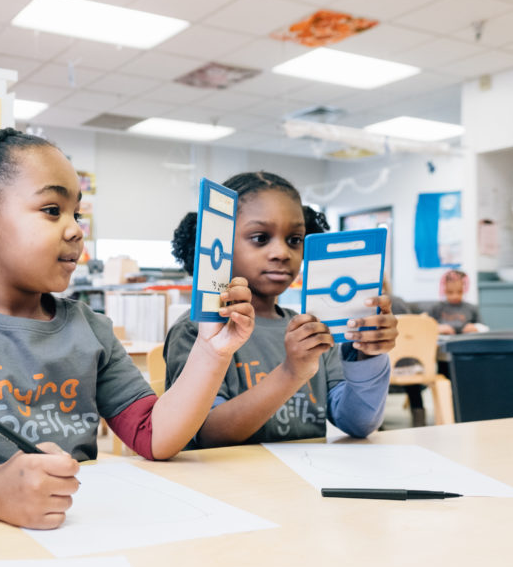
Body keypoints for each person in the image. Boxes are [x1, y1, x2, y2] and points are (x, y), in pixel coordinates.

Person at [0, 125, 254, 530]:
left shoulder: (91, 329)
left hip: (73, 530)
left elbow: (153, 435)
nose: (75, 230)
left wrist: (212, 353)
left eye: (77, 213)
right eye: (52, 210)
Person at [164, 171, 397, 448]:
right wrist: (291, 372)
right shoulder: (200, 332)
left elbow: (357, 423)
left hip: (301, 483)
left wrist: (367, 356)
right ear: (220, 243)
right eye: (261, 238)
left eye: (295, 239)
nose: (282, 253)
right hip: (225, 485)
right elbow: (207, 433)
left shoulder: (311, 329)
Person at [427, 269, 483, 334]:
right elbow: (425, 328)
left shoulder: (471, 308)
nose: (455, 296)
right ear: (444, 290)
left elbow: (484, 328)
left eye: (459, 292)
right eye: (450, 292)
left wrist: (476, 328)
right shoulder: (436, 308)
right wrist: (437, 328)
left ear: (464, 290)